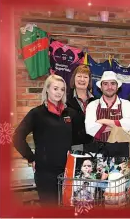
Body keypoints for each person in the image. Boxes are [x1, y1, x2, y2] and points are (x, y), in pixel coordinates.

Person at [13, 75, 76, 206]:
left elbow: (77, 139)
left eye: (62, 89)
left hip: (67, 172)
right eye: (55, 88)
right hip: (46, 173)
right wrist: (31, 157)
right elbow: (17, 137)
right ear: (47, 89)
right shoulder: (37, 113)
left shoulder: (70, 113)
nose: (59, 92)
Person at [85, 71, 130, 142]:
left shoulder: (126, 104)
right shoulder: (92, 105)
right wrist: (118, 126)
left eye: (113, 83)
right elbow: (90, 129)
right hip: (99, 150)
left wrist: (103, 121)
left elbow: (128, 125)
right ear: (101, 87)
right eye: (105, 84)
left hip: (121, 150)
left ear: (117, 87)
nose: (109, 87)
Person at [67, 65, 95, 145]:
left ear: (89, 80)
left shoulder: (96, 101)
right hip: (72, 148)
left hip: (92, 149)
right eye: (79, 76)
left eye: (85, 77)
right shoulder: (65, 100)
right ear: (74, 78)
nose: (82, 79)